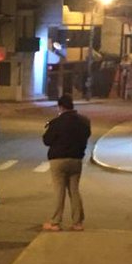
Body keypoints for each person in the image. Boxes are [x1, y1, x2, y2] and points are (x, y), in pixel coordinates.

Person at [41, 93, 92, 231]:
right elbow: (87, 136)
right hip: (76, 159)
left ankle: (55, 222)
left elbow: (47, 140)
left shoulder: (56, 122)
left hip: (58, 160)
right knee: (74, 190)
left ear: (61, 107)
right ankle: (78, 223)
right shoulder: (84, 121)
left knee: (59, 191)